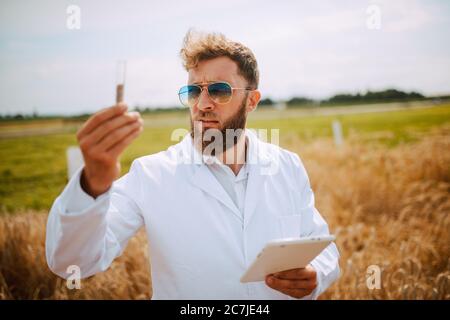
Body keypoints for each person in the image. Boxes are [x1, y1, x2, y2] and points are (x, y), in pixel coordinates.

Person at [46, 30, 340, 299]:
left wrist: (316, 274)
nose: (202, 104)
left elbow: (321, 248)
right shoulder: (151, 175)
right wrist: (93, 184)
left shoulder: (287, 166)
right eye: (193, 91)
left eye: (219, 90)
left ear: (251, 101)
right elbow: (72, 263)